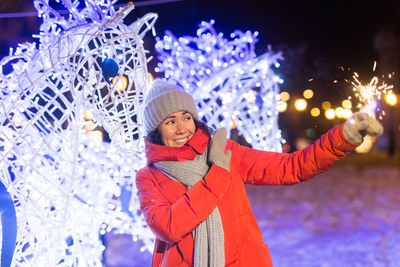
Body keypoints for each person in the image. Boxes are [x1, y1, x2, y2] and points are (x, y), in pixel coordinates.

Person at [136, 79, 383, 267]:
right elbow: (168, 226)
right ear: (156, 130)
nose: (182, 128)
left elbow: (292, 168)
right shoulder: (149, 177)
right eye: (170, 121)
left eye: (186, 118)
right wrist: (217, 175)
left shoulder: (224, 152)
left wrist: (344, 137)